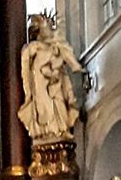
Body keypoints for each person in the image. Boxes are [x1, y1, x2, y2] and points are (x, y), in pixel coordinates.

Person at [17, 13, 82, 141]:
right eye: (45, 28)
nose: (49, 31)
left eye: (49, 27)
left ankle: (61, 129)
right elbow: (26, 62)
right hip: (40, 81)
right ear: (38, 31)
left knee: (59, 101)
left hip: (55, 81)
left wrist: (75, 68)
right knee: (44, 106)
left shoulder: (55, 45)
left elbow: (67, 58)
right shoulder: (33, 48)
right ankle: (46, 131)